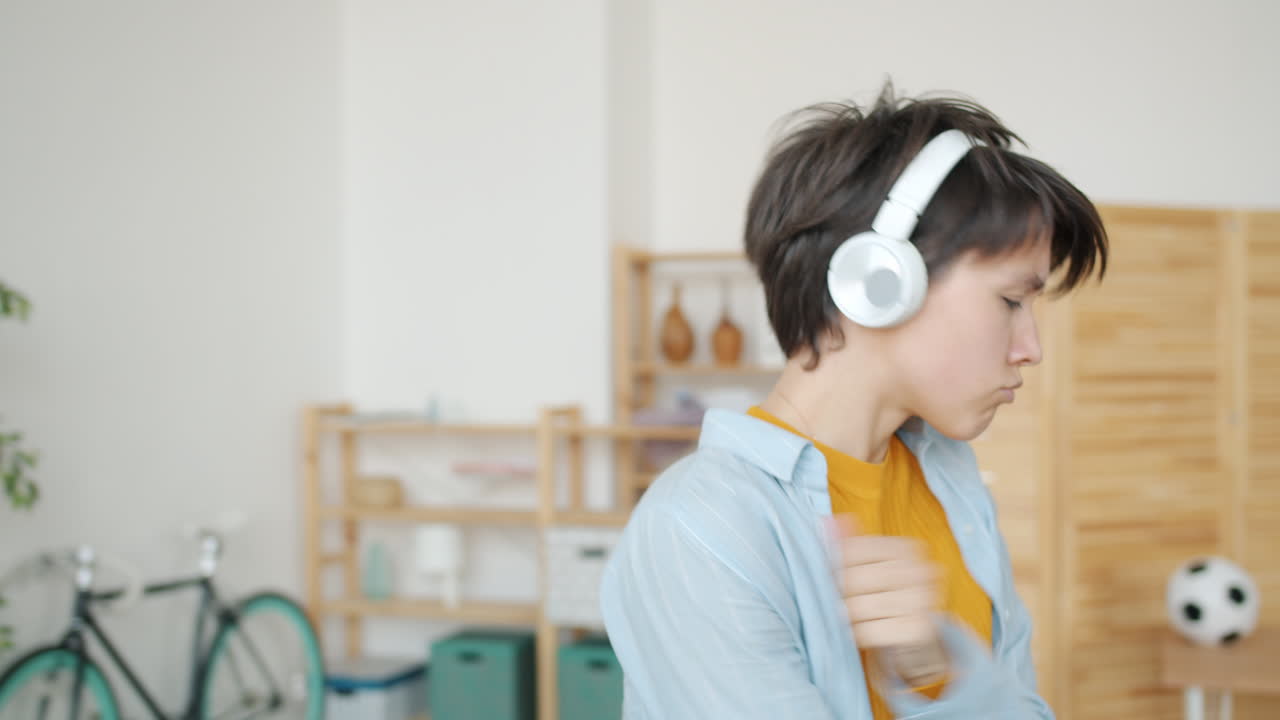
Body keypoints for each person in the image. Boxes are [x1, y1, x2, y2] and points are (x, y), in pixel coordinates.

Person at [599, 82, 1108, 719]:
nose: (1031, 347)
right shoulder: (702, 529)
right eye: (1010, 301)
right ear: (879, 281)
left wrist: (934, 673)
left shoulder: (952, 484)